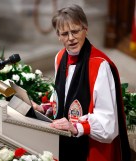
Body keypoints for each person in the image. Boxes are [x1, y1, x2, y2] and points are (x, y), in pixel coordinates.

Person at [32, 4, 131, 161]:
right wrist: (44, 108)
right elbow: (62, 98)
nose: (71, 38)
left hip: (91, 149)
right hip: (63, 143)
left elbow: (108, 122)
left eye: (75, 31)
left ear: (86, 29)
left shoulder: (100, 65)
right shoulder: (60, 57)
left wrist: (76, 127)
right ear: (58, 36)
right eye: (65, 33)